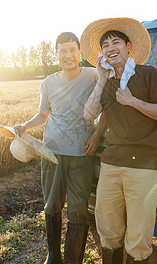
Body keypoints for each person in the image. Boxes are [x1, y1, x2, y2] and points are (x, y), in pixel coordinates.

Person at [82, 18, 157, 264]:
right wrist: (101, 79)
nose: (110, 47)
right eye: (105, 45)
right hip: (112, 163)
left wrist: (133, 101)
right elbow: (89, 114)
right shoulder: (107, 82)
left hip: (145, 165)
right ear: (102, 53)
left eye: (116, 42)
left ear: (129, 46)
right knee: (107, 228)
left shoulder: (150, 75)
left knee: (138, 235)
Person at [14, 32, 105, 264]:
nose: (68, 55)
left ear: (79, 52)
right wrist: (25, 125)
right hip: (52, 152)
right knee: (52, 203)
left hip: (82, 154)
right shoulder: (48, 83)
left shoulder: (93, 75)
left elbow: (107, 107)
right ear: (56, 54)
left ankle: (73, 260)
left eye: (72, 50)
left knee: (78, 208)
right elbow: (43, 115)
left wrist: (97, 133)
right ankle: (53, 255)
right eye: (63, 51)